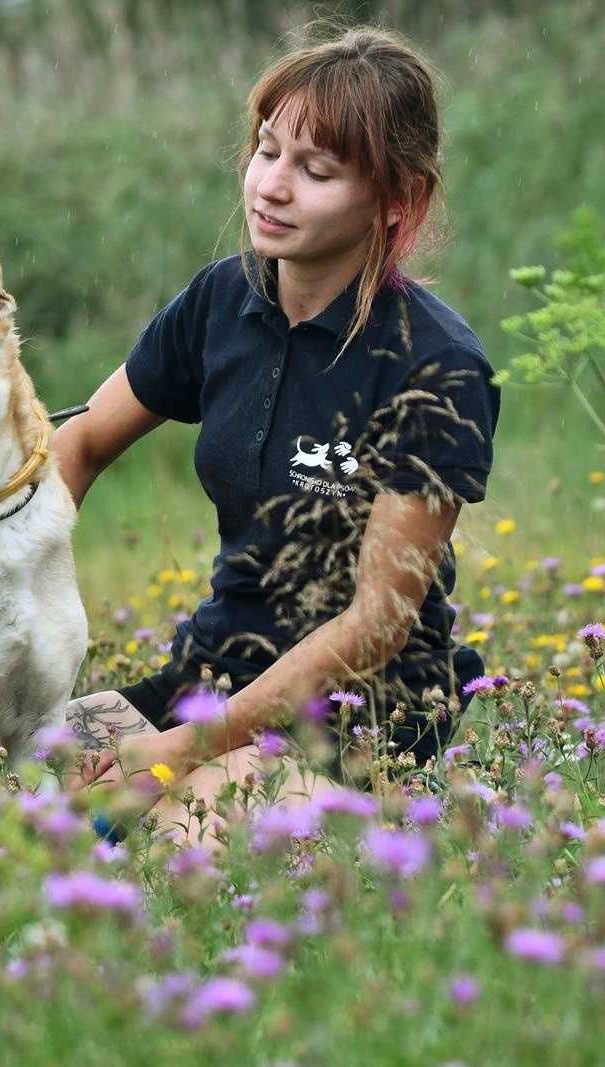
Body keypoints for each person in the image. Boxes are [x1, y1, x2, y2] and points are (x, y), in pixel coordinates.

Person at [52, 24, 500, 847]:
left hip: (360, 715)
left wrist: (174, 752)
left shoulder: (438, 369)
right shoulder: (221, 302)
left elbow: (377, 623)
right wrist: (20, 629)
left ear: (398, 200)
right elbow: (75, 445)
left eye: (316, 170)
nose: (272, 186)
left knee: (183, 842)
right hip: (207, 676)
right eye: (267, 152)